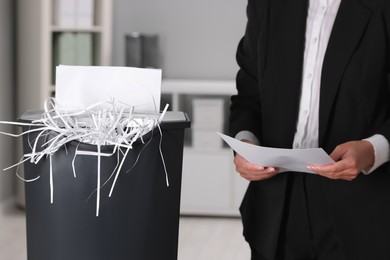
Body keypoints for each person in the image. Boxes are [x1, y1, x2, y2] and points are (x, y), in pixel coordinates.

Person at [229, 0, 390, 259]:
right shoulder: (266, 5)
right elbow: (249, 94)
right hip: (276, 211)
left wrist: (374, 149)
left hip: (364, 213)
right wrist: (246, 141)